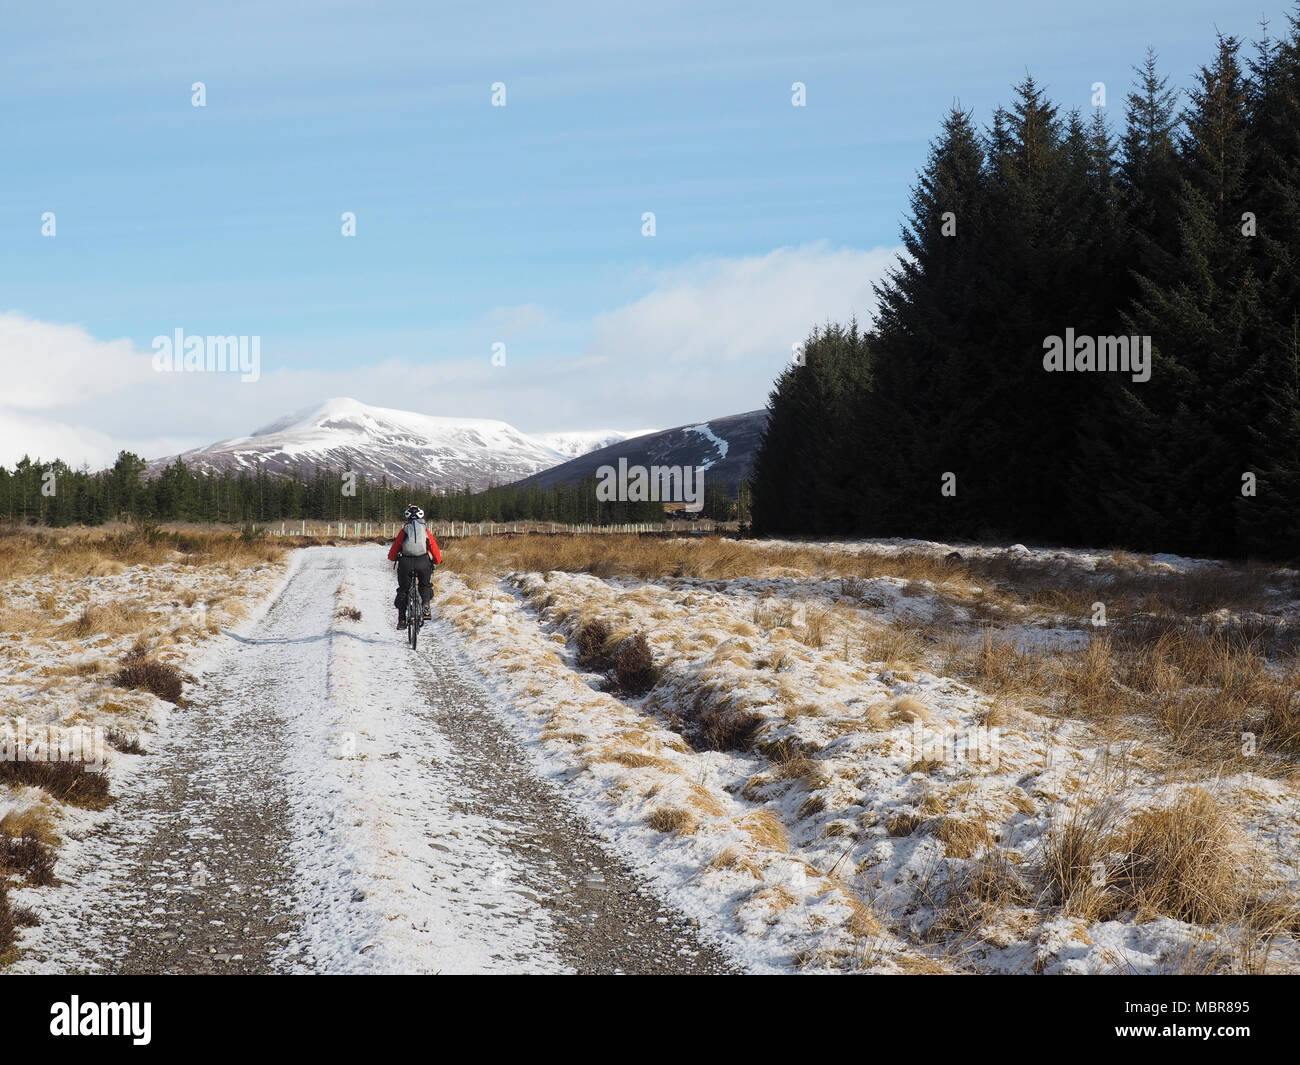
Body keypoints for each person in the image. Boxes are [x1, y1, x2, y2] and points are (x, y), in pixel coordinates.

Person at [387, 504, 442, 629]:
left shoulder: (404, 530)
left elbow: (395, 548)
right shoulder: (425, 530)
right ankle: (426, 604)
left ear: (408, 519)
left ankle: (401, 620)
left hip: (405, 563)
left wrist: (392, 557)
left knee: (403, 590)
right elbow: (433, 546)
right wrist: (437, 560)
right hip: (423, 562)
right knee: (424, 585)